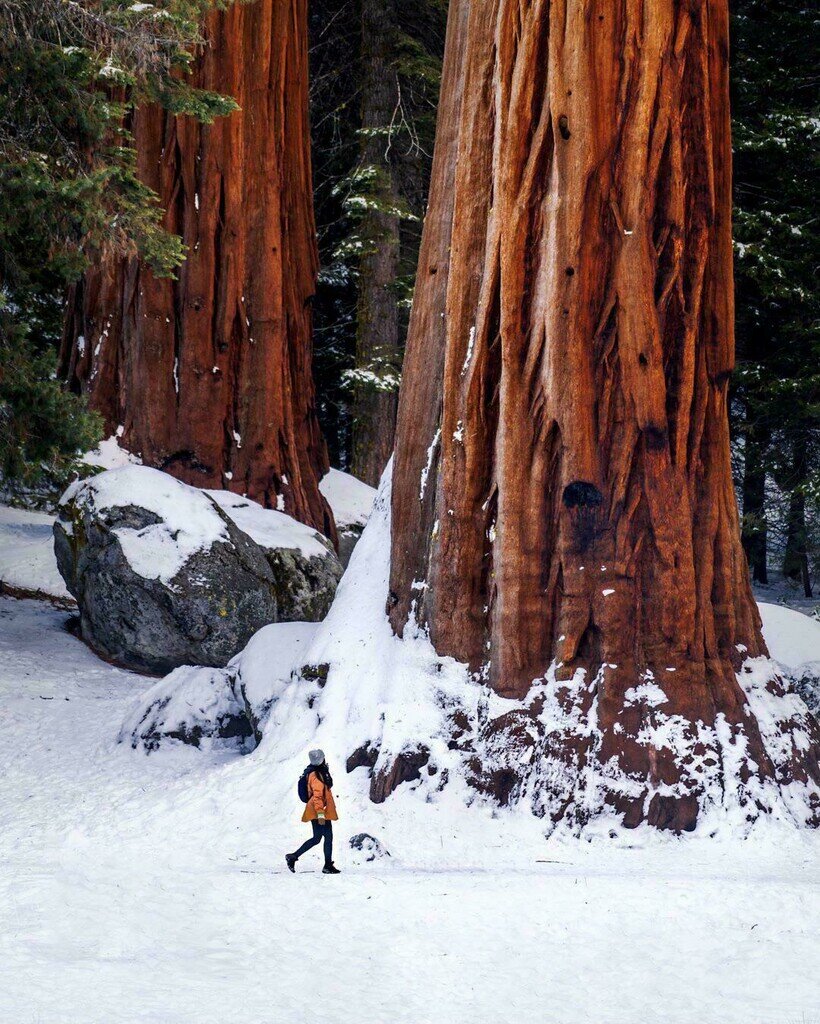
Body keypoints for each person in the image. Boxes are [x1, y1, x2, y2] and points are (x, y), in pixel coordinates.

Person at [286, 749, 340, 874]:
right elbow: (317, 797)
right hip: (319, 810)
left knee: (317, 838)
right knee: (327, 837)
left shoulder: (319, 772)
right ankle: (327, 866)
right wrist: (321, 815)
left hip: (319, 809)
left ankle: (293, 857)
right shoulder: (316, 775)